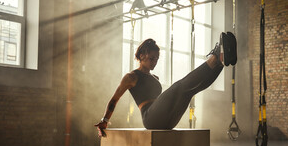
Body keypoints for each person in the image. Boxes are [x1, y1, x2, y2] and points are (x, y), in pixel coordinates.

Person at [95, 33, 237, 136]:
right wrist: (104, 120)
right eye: (152, 58)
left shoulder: (155, 77)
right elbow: (114, 99)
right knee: (179, 87)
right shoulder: (131, 77)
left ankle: (220, 63)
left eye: (157, 59)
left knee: (190, 91)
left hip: (167, 121)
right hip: (150, 118)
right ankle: (215, 56)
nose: (154, 62)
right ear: (141, 55)